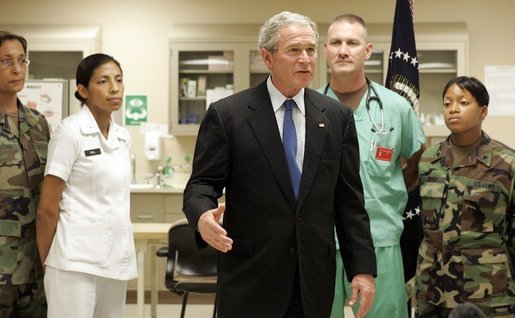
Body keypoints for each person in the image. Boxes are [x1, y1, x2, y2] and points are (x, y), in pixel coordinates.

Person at [183, 11, 376, 318]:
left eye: (311, 50)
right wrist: (202, 216)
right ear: (267, 58)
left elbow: (349, 202)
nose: (306, 59)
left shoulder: (336, 116)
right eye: (294, 50)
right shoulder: (228, 115)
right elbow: (201, 184)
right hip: (250, 277)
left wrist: (362, 270)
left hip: (312, 278)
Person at [319, 14, 426, 318]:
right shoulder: (307, 108)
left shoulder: (395, 108)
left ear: (367, 50)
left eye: (352, 42)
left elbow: (417, 160)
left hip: (379, 239)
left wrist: (386, 196)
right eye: (336, 43)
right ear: (325, 49)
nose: (343, 50)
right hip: (322, 242)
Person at [36, 53, 137, 318]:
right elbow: (47, 208)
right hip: (74, 262)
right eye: (103, 81)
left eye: (118, 79)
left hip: (115, 259)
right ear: (82, 90)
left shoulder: (122, 137)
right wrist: (50, 260)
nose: (114, 88)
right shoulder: (70, 132)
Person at [416, 76, 515, 318]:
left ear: (483, 111)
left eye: (463, 102)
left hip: (487, 288)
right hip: (433, 287)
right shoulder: (429, 160)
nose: (453, 109)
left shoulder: (506, 162)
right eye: (447, 103)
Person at [0, 30, 49, 318]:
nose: (17, 69)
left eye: (21, 60)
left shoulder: (39, 123)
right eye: (6, 61)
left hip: (37, 264)